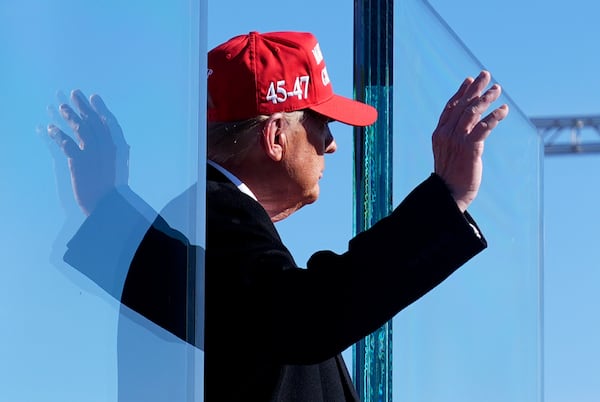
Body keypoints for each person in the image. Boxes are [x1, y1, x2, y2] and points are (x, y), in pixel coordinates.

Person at [48, 31, 508, 401]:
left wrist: (108, 210)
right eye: (321, 124)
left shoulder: (206, 224)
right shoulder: (216, 214)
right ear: (275, 138)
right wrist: (445, 198)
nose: (331, 144)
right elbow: (306, 316)